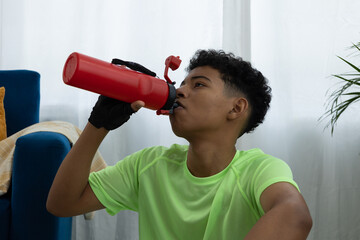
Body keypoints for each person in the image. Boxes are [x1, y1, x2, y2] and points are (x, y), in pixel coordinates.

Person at [47, 49, 312, 239]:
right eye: (181, 83)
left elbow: (295, 216)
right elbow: (62, 204)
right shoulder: (149, 165)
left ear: (236, 108)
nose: (181, 91)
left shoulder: (259, 170)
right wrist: (98, 125)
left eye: (198, 85)